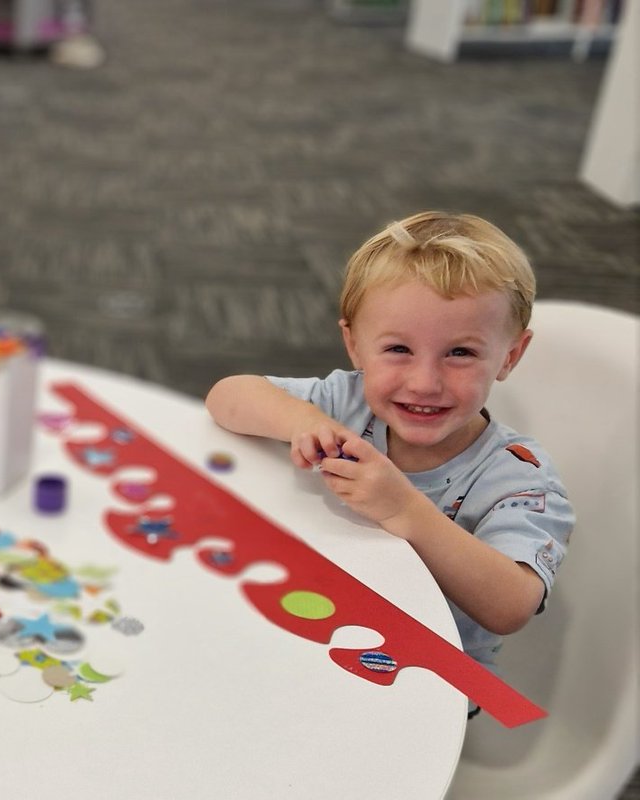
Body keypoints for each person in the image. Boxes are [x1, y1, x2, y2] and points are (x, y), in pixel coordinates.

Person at [205, 211, 574, 703]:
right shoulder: (345, 403)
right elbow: (227, 395)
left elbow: (512, 606)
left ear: (509, 357)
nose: (425, 382)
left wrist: (405, 510)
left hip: (424, 685)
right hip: (317, 623)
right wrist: (298, 421)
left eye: (460, 353)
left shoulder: (517, 478)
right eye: (399, 348)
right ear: (354, 344)